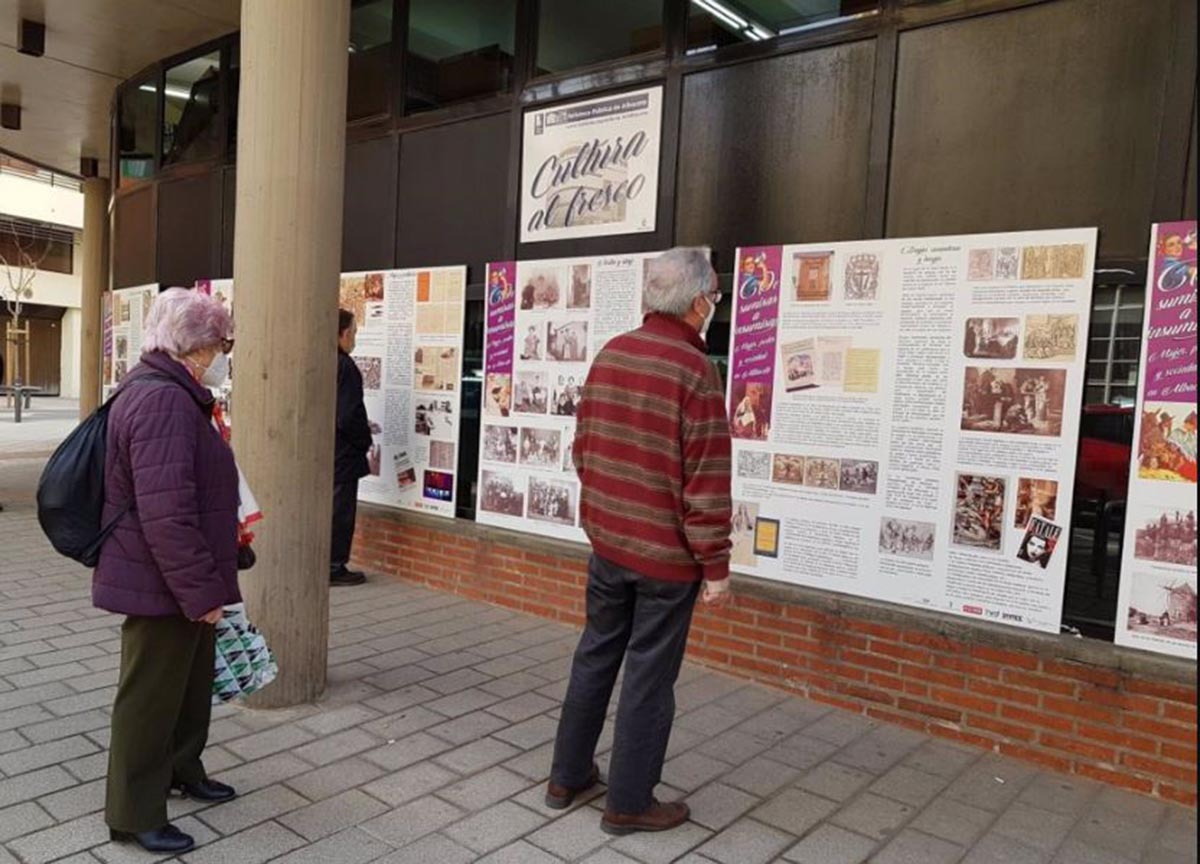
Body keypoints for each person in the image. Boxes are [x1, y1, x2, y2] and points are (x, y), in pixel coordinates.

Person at [546, 247, 733, 836]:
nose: (714, 309)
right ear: (698, 301)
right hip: (666, 561)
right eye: (715, 298)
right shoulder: (695, 371)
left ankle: (567, 776)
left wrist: (607, 515)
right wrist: (716, 566)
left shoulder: (611, 353)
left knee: (595, 654)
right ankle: (628, 802)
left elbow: (584, 450)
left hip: (609, 546)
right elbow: (705, 477)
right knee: (650, 677)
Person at [95, 288, 240, 855]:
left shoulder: (178, 391)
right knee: (149, 696)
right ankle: (132, 813)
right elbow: (166, 514)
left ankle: (182, 768)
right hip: (163, 580)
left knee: (187, 684)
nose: (225, 352)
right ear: (195, 344)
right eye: (221, 342)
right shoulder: (162, 401)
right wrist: (201, 590)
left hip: (180, 573)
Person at [332, 310, 372, 586]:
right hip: (343, 453)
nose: (354, 339)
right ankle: (334, 565)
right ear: (343, 333)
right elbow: (347, 415)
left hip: (329, 452)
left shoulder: (326, 362)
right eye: (353, 333)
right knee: (340, 511)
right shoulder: (344, 366)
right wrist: (364, 439)